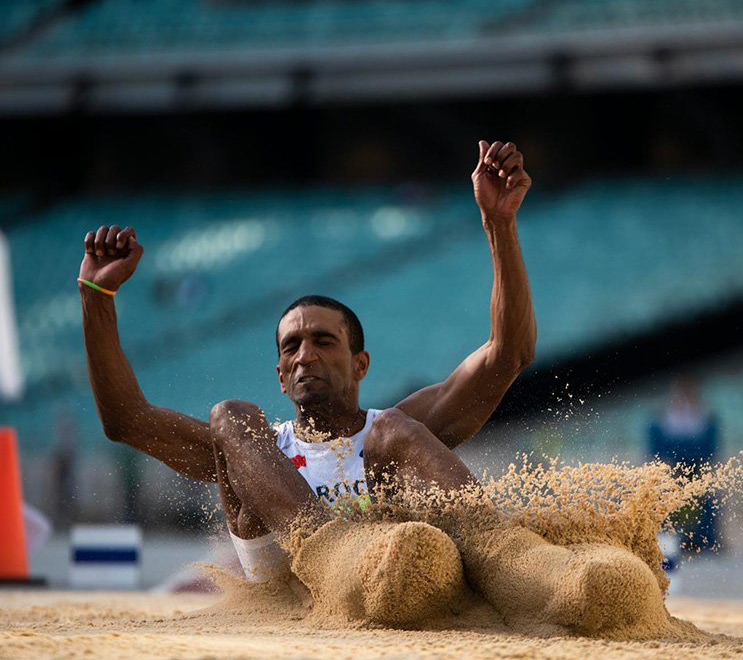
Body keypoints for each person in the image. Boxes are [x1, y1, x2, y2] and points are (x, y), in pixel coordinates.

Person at [78, 141, 665, 634]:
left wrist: (499, 225)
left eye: (324, 342)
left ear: (361, 364)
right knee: (229, 415)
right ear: (281, 377)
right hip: (299, 588)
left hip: (398, 576)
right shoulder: (255, 448)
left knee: (395, 435)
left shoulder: (394, 431)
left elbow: (507, 355)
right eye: (291, 347)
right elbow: (125, 419)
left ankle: (519, 566)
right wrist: (96, 299)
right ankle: (331, 551)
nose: (305, 354)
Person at [647, 376, 719, 550]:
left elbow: (709, 445)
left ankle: (701, 538)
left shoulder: (704, 416)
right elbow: (657, 447)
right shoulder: (663, 417)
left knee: (706, 498)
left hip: (696, 465)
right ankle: (669, 537)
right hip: (672, 465)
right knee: (664, 497)